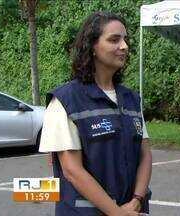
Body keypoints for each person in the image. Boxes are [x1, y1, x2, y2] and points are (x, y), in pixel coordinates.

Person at [39, 12, 152, 216]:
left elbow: (145, 154)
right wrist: (117, 213)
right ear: (92, 47)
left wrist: (137, 200)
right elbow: (72, 171)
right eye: (114, 40)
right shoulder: (65, 100)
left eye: (125, 39)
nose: (124, 46)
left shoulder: (132, 99)